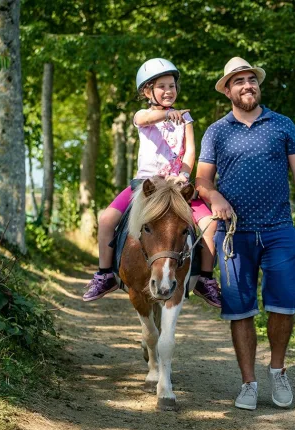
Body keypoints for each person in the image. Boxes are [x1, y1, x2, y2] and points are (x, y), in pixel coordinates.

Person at [195, 56, 295, 410]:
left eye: (252, 79)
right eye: (239, 81)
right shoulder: (216, 132)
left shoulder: (282, 125)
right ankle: (248, 383)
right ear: (228, 90)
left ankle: (278, 371)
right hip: (235, 236)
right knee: (240, 309)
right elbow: (201, 181)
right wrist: (214, 194)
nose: (248, 85)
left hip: (280, 231)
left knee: (284, 304)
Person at [83, 58, 222, 307]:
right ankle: (105, 274)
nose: (169, 91)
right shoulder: (142, 115)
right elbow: (147, 119)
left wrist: (184, 173)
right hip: (145, 184)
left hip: (176, 187)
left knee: (210, 224)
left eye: (172, 86)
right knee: (106, 220)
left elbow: (190, 151)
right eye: (162, 87)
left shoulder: (186, 118)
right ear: (147, 91)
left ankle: (205, 279)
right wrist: (168, 114)